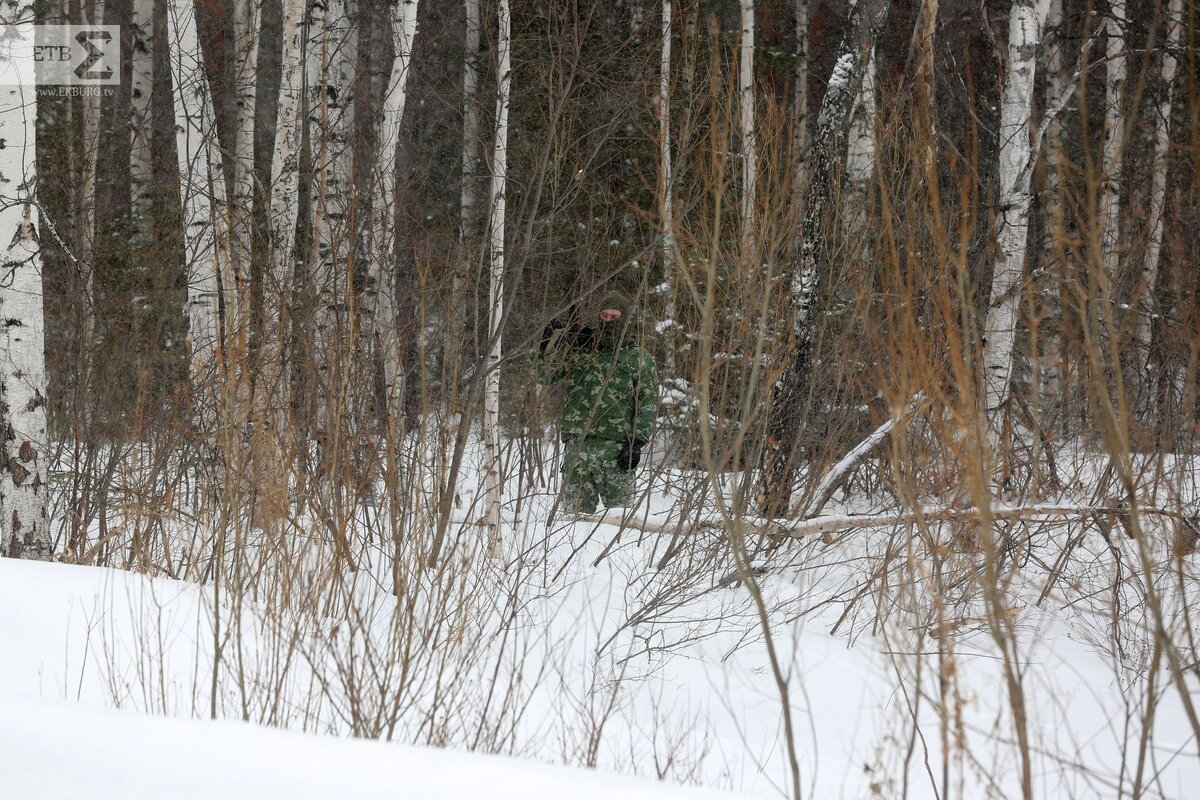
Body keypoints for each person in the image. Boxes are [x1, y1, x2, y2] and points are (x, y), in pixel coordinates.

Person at [531, 291, 659, 514]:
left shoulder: (638, 358)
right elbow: (545, 376)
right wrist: (545, 347)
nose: (608, 321)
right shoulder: (581, 350)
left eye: (614, 317)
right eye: (604, 316)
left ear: (625, 319)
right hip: (577, 447)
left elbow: (647, 404)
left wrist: (637, 442)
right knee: (573, 520)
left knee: (621, 519)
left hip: (616, 450)